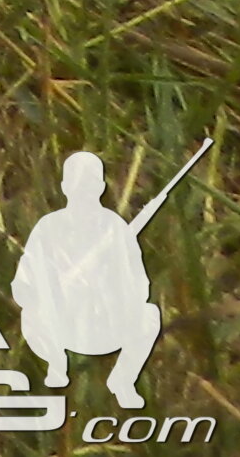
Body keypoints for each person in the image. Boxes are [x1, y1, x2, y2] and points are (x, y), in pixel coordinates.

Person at [13, 152, 165, 410]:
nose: (83, 188)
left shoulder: (115, 228)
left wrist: (109, 287)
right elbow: (23, 283)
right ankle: (57, 365)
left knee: (150, 316)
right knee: (31, 316)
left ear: (101, 186)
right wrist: (54, 292)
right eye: (76, 181)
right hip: (60, 325)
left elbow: (140, 284)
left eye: (90, 181)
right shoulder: (48, 227)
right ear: (64, 187)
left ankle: (123, 381)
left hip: (105, 323)